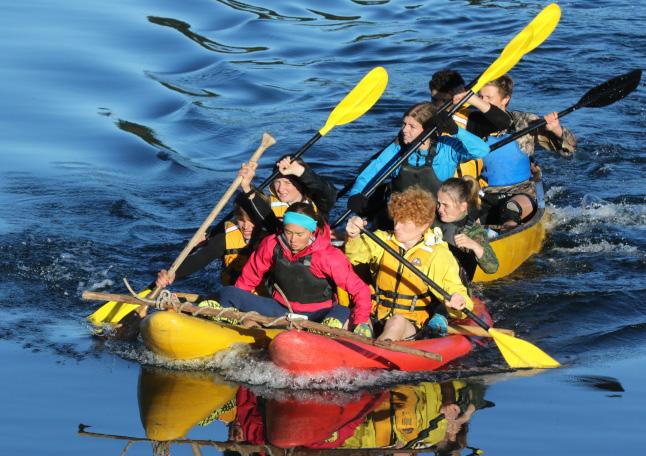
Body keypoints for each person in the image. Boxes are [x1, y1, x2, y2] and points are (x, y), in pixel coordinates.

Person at [215, 202, 373, 334]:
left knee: (342, 311)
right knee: (228, 292)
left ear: (311, 231)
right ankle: (231, 325)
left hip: (318, 315)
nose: (292, 240)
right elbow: (249, 278)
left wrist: (361, 322)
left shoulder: (328, 256)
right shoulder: (271, 244)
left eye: (299, 234)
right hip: (280, 310)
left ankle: (323, 334)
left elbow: (361, 291)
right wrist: (237, 303)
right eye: (288, 232)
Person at [345, 186, 473, 342]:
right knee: (345, 316)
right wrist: (353, 236)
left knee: (396, 322)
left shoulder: (438, 254)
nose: (396, 226)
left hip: (409, 322)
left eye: (404, 222)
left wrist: (459, 301)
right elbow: (354, 256)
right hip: (374, 314)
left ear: (423, 225)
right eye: (396, 219)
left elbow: (455, 290)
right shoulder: (382, 239)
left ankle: (376, 351)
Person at [346, 102, 489, 218]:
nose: (404, 130)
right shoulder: (397, 149)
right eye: (404, 124)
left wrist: (456, 131)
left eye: (412, 126)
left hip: (437, 215)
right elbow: (372, 172)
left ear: (427, 130)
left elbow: (482, 150)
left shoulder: (447, 149)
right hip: (401, 216)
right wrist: (356, 193)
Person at [474, 74, 577, 226]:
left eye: (488, 97)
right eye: (480, 96)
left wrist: (557, 130)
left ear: (505, 99)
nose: (482, 102)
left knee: (510, 210)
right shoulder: (470, 122)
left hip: (520, 193)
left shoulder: (524, 123)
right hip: (482, 194)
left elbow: (569, 150)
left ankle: (509, 231)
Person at [238, 154, 337, 234]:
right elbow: (270, 224)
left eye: (287, 183)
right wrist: (246, 186)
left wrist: (302, 172)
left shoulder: (317, 202)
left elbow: (330, 194)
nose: (280, 189)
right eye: (277, 182)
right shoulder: (267, 203)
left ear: (301, 184)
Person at [435, 177, 498, 284]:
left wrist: (475, 246)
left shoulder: (473, 232)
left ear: (463, 207)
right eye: (438, 203)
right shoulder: (432, 217)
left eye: (445, 205)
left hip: (455, 287)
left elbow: (492, 267)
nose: (440, 209)